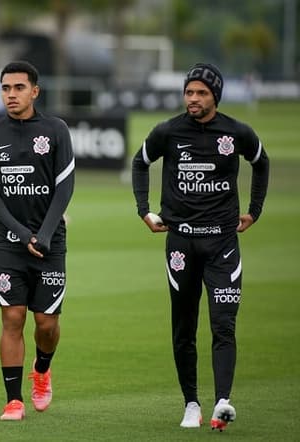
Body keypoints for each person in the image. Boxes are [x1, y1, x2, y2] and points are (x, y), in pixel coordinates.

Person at [131, 63, 269, 431]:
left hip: (223, 243)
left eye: (201, 93)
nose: (193, 99)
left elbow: (261, 162)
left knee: (224, 326)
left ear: (215, 97)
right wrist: (144, 210)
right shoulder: (169, 131)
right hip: (181, 245)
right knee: (184, 328)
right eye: (189, 92)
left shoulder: (236, 132)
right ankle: (191, 403)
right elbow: (140, 162)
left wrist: (254, 211)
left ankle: (222, 402)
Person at [0, 61, 75, 421]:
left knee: (46, 324)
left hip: (50, 242)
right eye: (5, 88)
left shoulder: (55, 130)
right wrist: (20, 234)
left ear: (35, 91)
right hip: (8, 243)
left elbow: (64, 186)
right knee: (12, 317)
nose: (11, 94)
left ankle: (43, 368)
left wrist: (45, 235)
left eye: (18, 88)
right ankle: (13, 400)